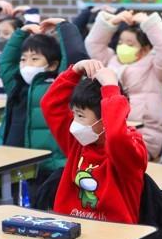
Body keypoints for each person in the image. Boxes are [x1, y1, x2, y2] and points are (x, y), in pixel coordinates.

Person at [40, 59, 147, 224]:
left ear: (105, 119)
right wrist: (74, 71)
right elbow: (50, 105)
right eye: (74, 114)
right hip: (70, 231)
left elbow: (117, 137)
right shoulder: (79, 143)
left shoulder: (129, 147)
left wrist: (111, 87)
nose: (74, 122)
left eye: (80, 116)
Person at [0, 18, 88, 198]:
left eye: (35, 59)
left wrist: (64, 26)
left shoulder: (57, 87)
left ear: (53, 64)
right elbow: (6, 62)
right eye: (23, 59)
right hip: (17, 162)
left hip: (50, 165)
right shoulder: (16, 85)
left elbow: (73, 57)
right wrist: (21, 33)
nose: (26, 64)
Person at [85, 10, 162, 160]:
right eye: (120, 42)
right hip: (110, 134)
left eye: (130, 43)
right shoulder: (109, 61)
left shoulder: (155, 67)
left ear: (145, 49)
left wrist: (148, 24)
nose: (123, 46)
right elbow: (93, 43)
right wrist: (112, 22)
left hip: (144, 136)